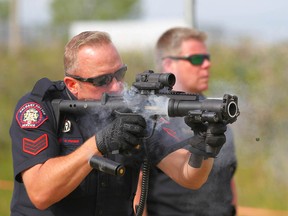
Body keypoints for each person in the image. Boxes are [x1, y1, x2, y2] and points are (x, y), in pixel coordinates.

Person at [9, 30, 227, 216]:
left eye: (119, 74)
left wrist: (204, 147)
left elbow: (189, 177)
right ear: (72, 84)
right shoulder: (41, 108)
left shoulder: (132, 107)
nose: (115, 87)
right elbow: (40, 193)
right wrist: (99, 144)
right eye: (102, 80)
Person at [140, 27, 238, 216]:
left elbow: (228, 177)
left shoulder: (216, 112)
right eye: (196, 59)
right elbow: (136, 190)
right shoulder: (152, 118)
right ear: (168, 64)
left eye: (207, 58)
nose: (206, 64)